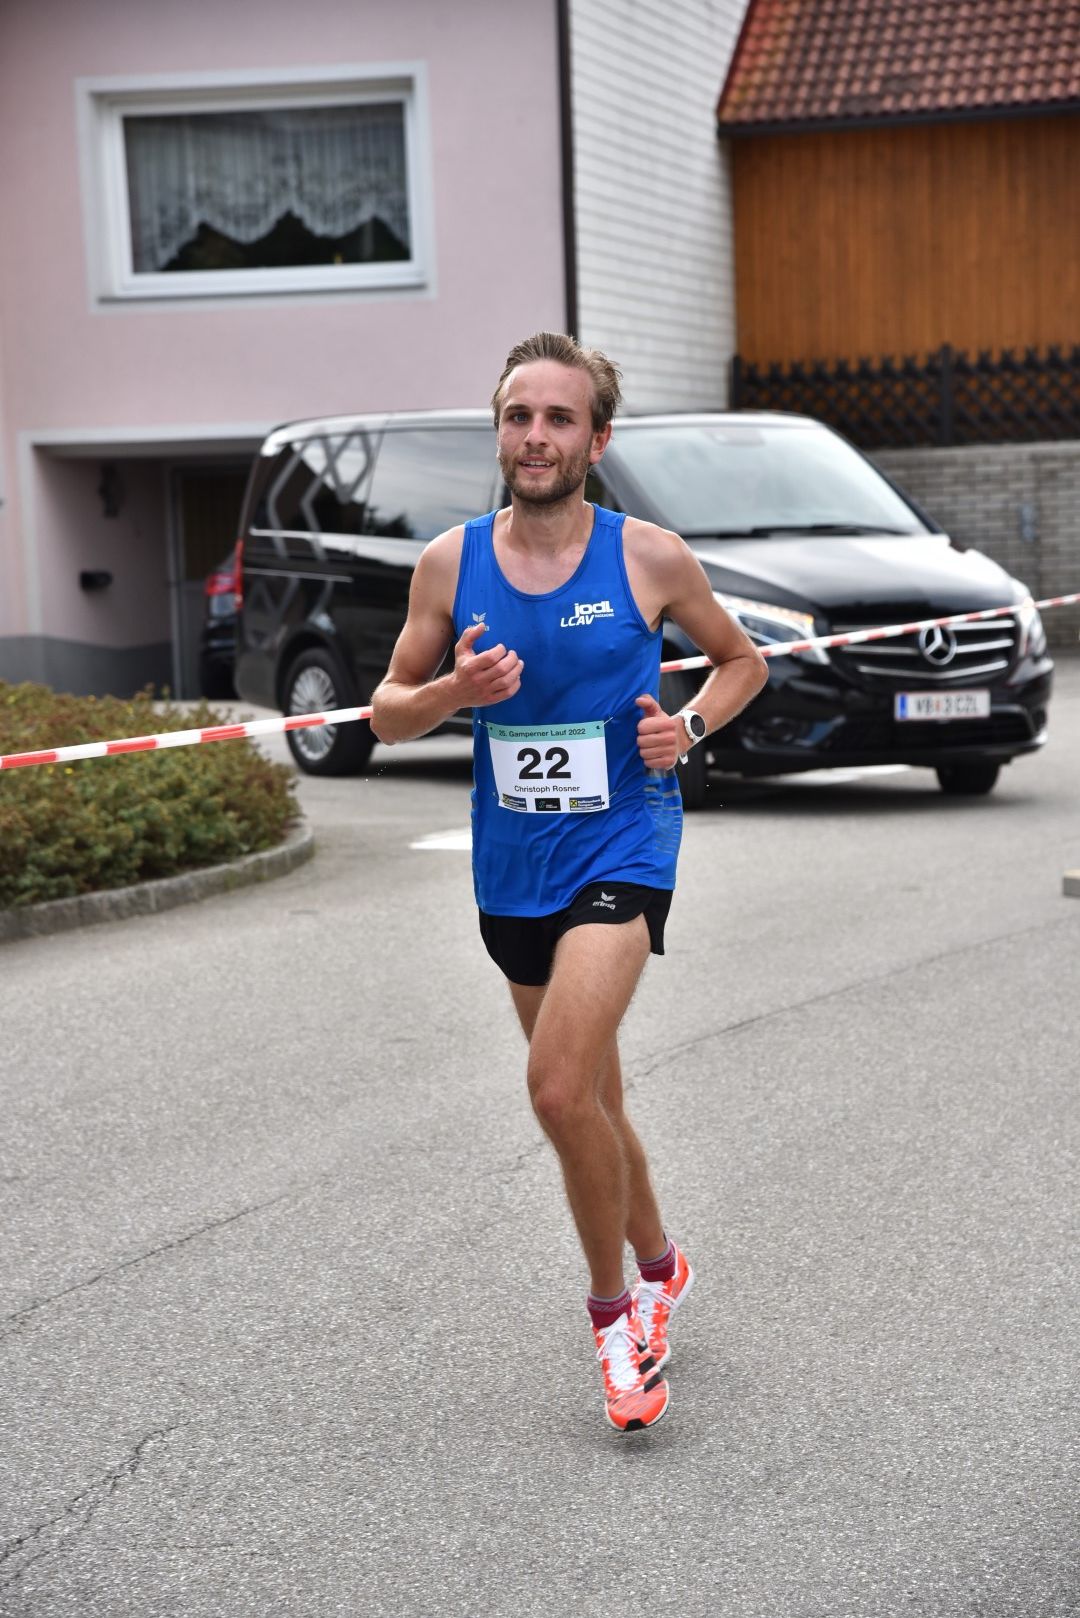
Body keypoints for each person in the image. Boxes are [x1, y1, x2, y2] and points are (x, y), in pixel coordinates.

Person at [371, 332, 767, 1431]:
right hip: (513, 866)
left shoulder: (649, 557)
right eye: (519, 416)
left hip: (622, 845)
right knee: (595, 1098)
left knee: (555, 1090)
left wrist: (687, 729)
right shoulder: (449, 563)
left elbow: (742, 662)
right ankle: (664, 1263)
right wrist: (452, 691)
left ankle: (617, 1321)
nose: (536, 436)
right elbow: (387, 714)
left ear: (597, 440)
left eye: (559, 418)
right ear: (499, 432)